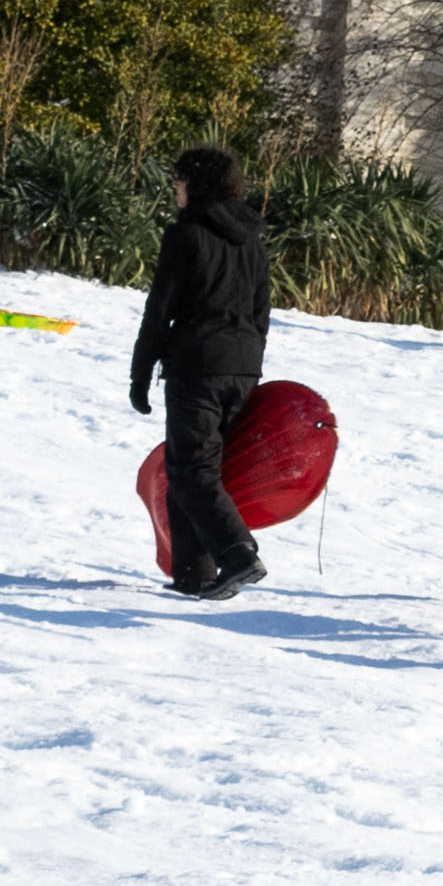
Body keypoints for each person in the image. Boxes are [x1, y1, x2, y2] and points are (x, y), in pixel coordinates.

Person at [141, 146, 275, 595]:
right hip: (242, 367)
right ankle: (193, 577)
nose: (175, 186)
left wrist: (140, 372)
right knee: (196, 468)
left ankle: (237, 554)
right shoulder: (252, 239)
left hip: (197, 365)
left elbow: (160, 310)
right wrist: (247, 362)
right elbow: (261, 312)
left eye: (179, 178)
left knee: (190, 472)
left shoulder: (186, 235)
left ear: (195, 183)